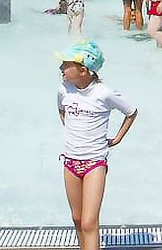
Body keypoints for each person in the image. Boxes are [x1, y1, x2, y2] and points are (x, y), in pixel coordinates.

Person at [56, 40, 137, 250]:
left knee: (89, 221)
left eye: (66, 65)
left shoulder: (104, 93)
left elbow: (131, 112)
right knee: (77, 218)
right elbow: (61, 110)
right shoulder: (64, 90)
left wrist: (117, 138)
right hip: (70, 161)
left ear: (83, 70)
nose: (61, 69)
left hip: (94, 163)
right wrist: (73, 131)